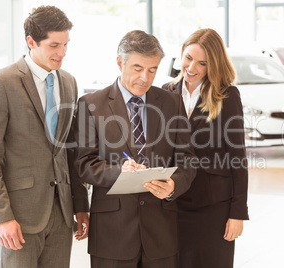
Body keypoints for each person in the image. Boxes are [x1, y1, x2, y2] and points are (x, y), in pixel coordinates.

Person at [71, 30, 197, 268]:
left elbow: (188, 160)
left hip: (161, 233)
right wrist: (120, 172)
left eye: (152, 70)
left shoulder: (172, 103)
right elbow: (84, 164)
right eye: (137, 68)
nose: (145, 78)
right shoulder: (91, 104)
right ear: (120, 62)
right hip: (112, 234)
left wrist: (173, 185)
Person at [0, 6, 90, 268]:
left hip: (62, 214)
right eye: (54, 45)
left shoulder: (69, 82)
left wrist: (80, 204)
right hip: (18, 216)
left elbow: (68, 150)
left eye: (65, 45)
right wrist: (1, 217)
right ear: (31, 41)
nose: (62, 53)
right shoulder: (1, 83)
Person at [162, 28, 249, 268]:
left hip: (213, 207)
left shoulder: (227, 96)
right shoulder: (165, 92)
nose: (191, 68)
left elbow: (237, 157)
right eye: (188, 58)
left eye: (202, 63)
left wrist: (237, 212)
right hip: (173, 203)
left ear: (214, 64)